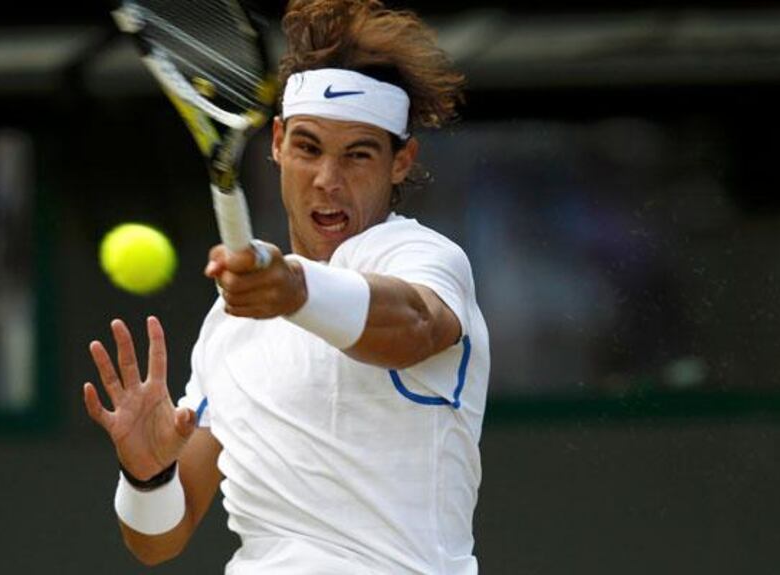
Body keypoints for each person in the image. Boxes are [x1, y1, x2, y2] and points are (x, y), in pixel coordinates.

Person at [82, 1, 490, 572]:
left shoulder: (421, 258)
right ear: (276, 142)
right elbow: (160, 541)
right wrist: (146, 476)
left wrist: (295, 290)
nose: (328, 179)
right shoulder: (229, 324)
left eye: (358, 155)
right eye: (308, 148)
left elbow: (415, 324)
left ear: (402, 162)